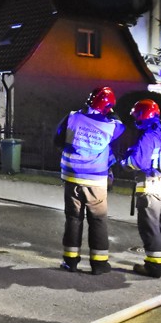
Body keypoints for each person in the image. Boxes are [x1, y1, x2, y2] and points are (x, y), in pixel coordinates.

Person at [54, 86, 125, 275]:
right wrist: (111, 112)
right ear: (107, 106)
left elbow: (59, 140)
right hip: (96, 180)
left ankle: (70, 262)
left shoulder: (73, 117)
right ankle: (99, 264)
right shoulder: (110, 126)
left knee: (73, 219)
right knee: (98, 221)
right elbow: (121, 127)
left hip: (72, 177)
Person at [121, 99, 161, 278]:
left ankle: (153, 266)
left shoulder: (148, 136)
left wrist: (124, 162)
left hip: (150, 187)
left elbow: (138, 162)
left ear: (143, 115)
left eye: (137, 114)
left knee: (150, 227)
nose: (135, 118)